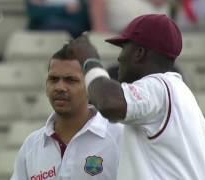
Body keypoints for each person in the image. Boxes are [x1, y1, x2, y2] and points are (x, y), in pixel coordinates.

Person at [68, 14, 205, 180]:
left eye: (124, 48)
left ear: (139, 53)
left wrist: (90, 61)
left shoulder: (160, 86)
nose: (119, 57)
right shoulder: (182, 96)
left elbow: (109, 103)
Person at [11, 44, 122, 180]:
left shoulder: (119, 137)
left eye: (71, 80)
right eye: (53, 79)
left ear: (90, 87)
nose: (60, 87)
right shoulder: (32, 145)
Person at [26, 0, 90, 37]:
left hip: (76, 31)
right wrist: (64, 9)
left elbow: (84, 14)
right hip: (44, 30)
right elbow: (35, 13)